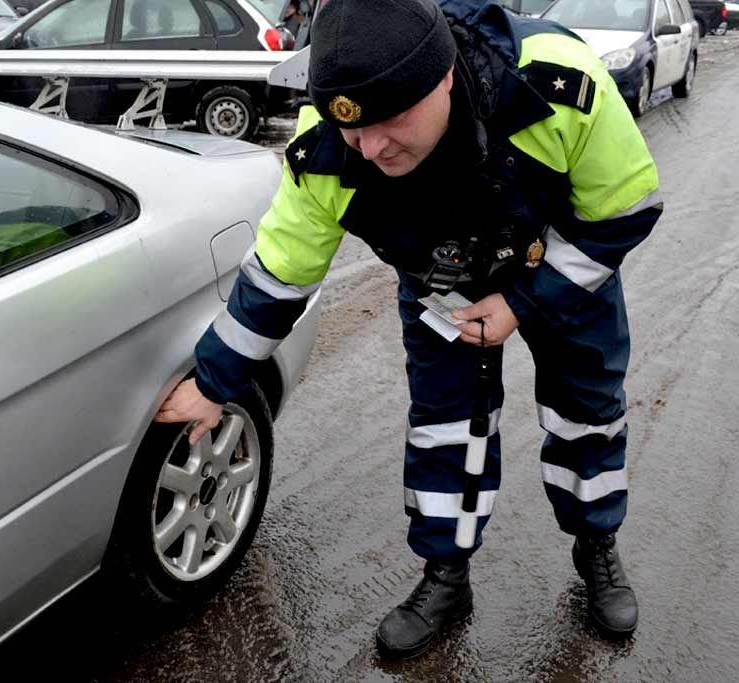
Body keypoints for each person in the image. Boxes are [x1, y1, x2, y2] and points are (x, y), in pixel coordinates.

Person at [155, 0, 661, 659]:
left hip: (560, 267)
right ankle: (446, 573)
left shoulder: (553, 83)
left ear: (445, 77)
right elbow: (282, 271)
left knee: (586, 411)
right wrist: (215, 378)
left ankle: (597, 545)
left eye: (390, 120)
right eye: (354, 129)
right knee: (445, 426)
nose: (371, 147)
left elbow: (626, 208)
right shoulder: (331, 144)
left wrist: (519, 305)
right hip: (442, 284)